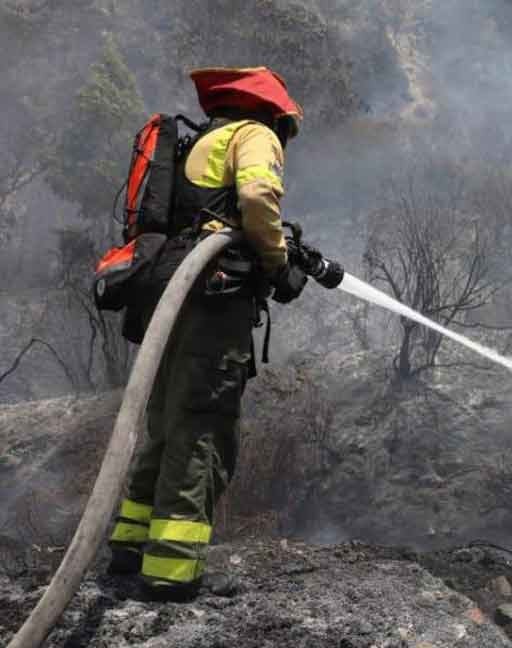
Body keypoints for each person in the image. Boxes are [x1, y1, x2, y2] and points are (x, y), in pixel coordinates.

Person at [106, 67, 309, 601]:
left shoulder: (205, 139)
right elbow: (259, 198)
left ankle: (130, 549)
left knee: (168, 424)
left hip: (171, 296)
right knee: (202, 429)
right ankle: (174, 572)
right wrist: (277, 260)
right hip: (212, 305)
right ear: (276, 116)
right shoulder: (253, 135)